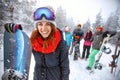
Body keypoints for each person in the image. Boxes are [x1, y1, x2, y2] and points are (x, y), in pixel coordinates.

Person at [30, 6, 70, 80]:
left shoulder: (60, 43)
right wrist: (15, 31)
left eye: (48, 24)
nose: (43, 28)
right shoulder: (34, 40)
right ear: (36, 26)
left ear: (52, 26)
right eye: (40, 24)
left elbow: (65, 68)